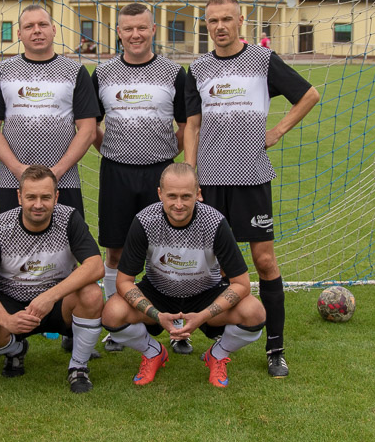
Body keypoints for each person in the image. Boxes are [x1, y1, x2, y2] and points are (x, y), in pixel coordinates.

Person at [184, 0, 320, 378]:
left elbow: (309, 95)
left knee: (263, 261)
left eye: (227, 19)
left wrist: (277, 131)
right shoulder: (198, 69)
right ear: (206, 25)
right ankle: (215, 337)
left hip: (252, 177)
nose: (220, 26)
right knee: (208, 264)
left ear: (240, 21)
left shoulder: (262, 60)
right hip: (210, 180)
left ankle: (275, 349)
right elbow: (192, 126)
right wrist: (191, 174)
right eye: (213, 21)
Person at [102, 163, 266, 387]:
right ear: (160, 194)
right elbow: (123, 281)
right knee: (112, 312)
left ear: (198, 194)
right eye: (172, 196)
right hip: (159, 292)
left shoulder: (215, 222)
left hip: (205, 293)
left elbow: (242, 284)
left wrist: (203, 315)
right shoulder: (145, 221)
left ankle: (217, 355)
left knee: (254, 312)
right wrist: (156, 314)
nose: (178, 204)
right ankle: (153, 352)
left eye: (186, 196)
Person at [91, 2, 188, 353]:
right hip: (116, 172)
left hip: (160, 174)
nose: (135, 34)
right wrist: (113, 150)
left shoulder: (174, 72)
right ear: (118, 32)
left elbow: (186, 126)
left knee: (170, 251)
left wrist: (165, 154)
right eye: (128, 29)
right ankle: (119, 327)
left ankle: (179, 326)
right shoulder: (102, 73)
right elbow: (90, 126)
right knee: (116, 252)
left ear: (153, 30)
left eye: (142, 28)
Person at [0, 165, 104, 393]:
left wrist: (50, 297)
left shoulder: (69, 218)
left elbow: (95, 265)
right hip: (13, 301)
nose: (38, 204)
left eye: (46, 197)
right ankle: (16, 349)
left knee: (92, 294)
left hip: (58, 302)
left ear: (56, 197)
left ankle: (78, 367)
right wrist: (6, 320)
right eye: (31, 197)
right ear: (19, 196)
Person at [0, 5, 98, 217]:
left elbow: (88, 130)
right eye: (29, 26)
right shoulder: (2, 71)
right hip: (13, 181)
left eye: (42, 24)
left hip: (64, 181)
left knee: (67, 237)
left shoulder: (75, 71)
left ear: (54, 29)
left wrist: (57, 171)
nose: (37, 30)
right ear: (19, 34)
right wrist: (17, 169)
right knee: (9, 237)